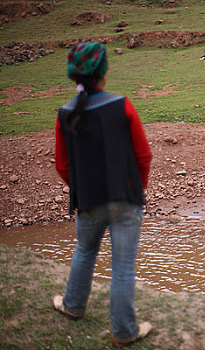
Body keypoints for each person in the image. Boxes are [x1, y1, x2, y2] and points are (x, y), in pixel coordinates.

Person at [53, 42, 153, 347]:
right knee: (122, 266)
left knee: (84, 251)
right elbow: (143, 156)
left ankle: (73, 306)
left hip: (89, 201)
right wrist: (137, 189)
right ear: (104, 72)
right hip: (125, 200)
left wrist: (80, 189)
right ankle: (124, 331)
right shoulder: (122, 105)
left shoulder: (65, 114)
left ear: (75, 78)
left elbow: (62, 165)